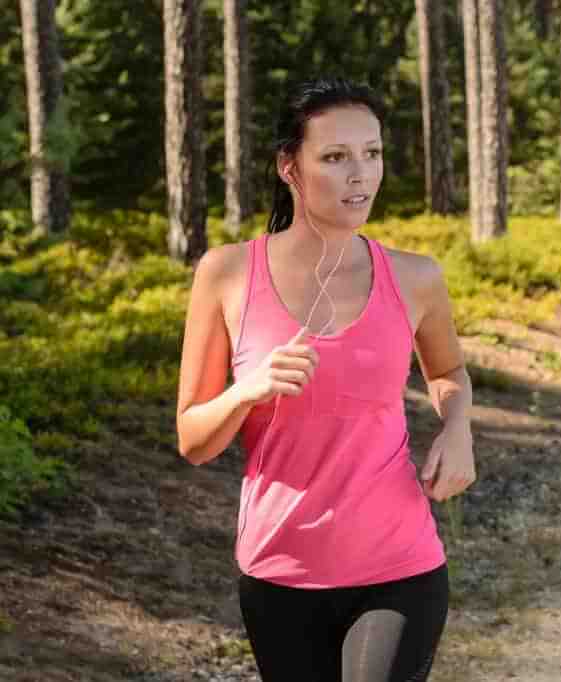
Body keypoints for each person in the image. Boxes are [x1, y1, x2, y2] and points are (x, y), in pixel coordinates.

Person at [175, 76, 475, 682]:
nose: (360, 174)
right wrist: (248, 390)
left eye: (372, 153)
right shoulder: (227, 274)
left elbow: (447, 370)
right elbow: (194, 440)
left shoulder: (414, 276)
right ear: (290, 166)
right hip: (280, 568)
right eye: (336, 157)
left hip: (399, 562)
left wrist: (459, 426)